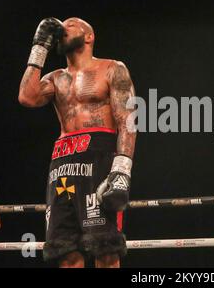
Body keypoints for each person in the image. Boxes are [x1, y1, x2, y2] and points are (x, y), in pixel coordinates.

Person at [18, 17, 136, 268]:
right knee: (66, 252)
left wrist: (122, 170)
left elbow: (127, 120)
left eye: (70, 24)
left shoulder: (112, 68)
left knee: (105, 249)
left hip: (99, 157)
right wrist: (39, 47)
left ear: (89, 36)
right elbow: (26, 97)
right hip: (62, 163)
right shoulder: (54, 78)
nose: (63, 27)